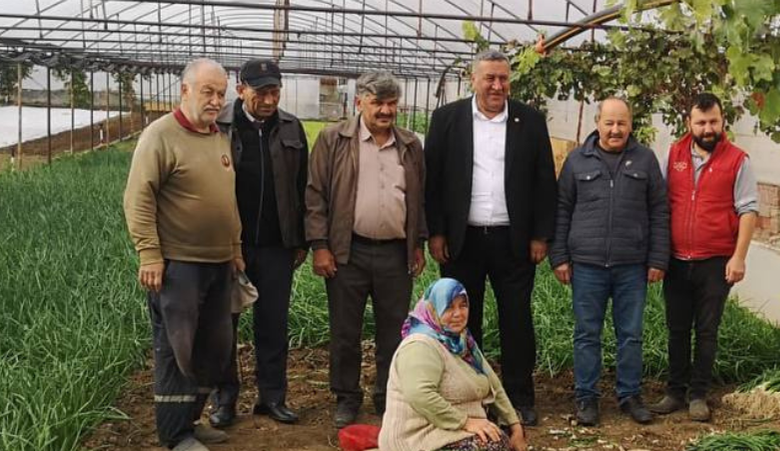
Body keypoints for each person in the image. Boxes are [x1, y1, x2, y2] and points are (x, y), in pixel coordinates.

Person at [424, 49, 558, 426]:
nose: (497, 86)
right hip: (461, 241)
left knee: (517, 320)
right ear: (473, 80)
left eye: (503, 78)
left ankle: (519, 397)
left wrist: (540, 235)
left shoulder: (529, 121)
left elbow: (544, 182)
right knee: (464, 321)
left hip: (513, 241)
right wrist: (436, 232)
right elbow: (432, 182)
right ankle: (473, 396)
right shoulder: (447, 119)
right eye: (489, 78)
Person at [123, 58, 241, 451]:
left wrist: (235, 248)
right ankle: (174, 434)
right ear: (185, 90)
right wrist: (149, 254)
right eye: (208, 92)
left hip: (218, 263)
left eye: (221, 93)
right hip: (179, 264)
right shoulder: (160, 136)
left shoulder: (216, 137)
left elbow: (227, 199)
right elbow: (138, 197)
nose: (216, 101)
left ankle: (192, 418)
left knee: (214, 345)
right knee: (177, 348)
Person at [305, 71, 427, 427]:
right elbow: (315, 195)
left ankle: (388, 395)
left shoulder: (410, 145)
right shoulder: (334, 140)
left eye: (391, 103)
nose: (386, 110)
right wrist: (320, 246)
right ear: (359, 102)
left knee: (394, 331)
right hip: (348, 252)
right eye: (377, 103)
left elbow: (420, 198)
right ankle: (347, 396)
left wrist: (417, 243)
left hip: (395, 253)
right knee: (346, 331)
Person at [550, 97, 669, 426]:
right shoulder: (577, 160)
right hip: (587, 265)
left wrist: (658, 258)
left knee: (630, 334)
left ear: (630, 125)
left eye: (622, 123)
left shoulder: (645, 159)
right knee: (587, 334)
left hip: (632, 265)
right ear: (598, 123)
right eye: (609, 123)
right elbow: (561, 210)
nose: (615, 130)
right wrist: (559, 257)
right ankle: (586, 397)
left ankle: (630, 395)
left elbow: (659, 210)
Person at [208, 58, 309, 428]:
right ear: (241, 90)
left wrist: (301, 239)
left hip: (276, 245)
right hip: (227, 245)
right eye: (261, 92)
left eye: (274, 92)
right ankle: (224, 400)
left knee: (273, 323)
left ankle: (272, 397)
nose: (269, 100)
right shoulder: (218, 126)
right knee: (223, 325)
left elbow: (303, 187)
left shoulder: (291, 128)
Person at [378, 278, 554, 451]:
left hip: (450, 428)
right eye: (449, 307)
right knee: (490, 446)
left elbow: (493, 383)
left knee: (498, 437)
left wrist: (515, 425)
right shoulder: (420, 346)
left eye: (463, 306)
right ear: (432, 309)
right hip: (417, 435)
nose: (458, 314)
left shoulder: (462, 340)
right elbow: (420, 395)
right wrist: (466, 422)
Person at [651, 93, 760, 422]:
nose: (708, 128)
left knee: (707, 330)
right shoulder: (674, 154)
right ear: (689, 123)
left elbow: (748, 210)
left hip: (715, 261)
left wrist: (738, 257)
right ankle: (674, 391)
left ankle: (698, 394)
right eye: (701, 122)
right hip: (677, 260)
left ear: (723, 121)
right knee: (677, 328)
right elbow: (660, 203)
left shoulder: (738, 160)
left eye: (713, 121)